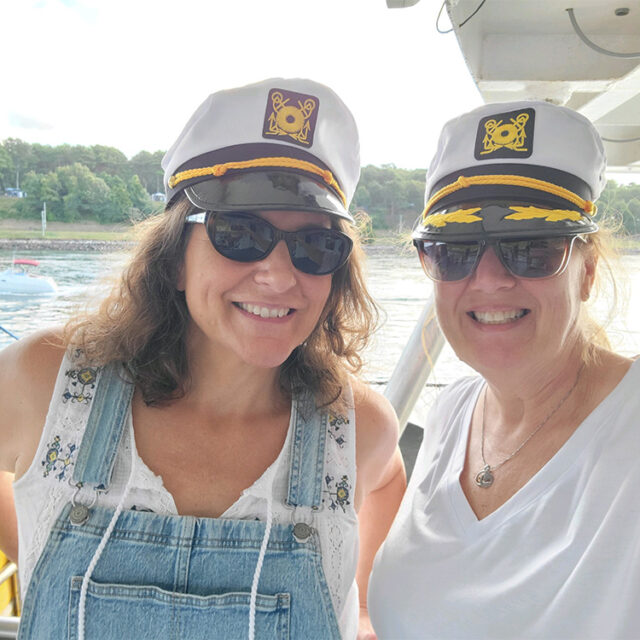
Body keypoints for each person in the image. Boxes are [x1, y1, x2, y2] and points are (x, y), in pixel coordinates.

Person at [0, 78, 405, 639]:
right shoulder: (46, 384)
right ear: (173, 259)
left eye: (316, 246)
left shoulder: (357, 426)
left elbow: (386, 482)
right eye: (240, 233)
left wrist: (362, 611)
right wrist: (29, 536)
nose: (281, 275)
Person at [368, 100, 639, 639]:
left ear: (586, 272)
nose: (488, 278)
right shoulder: (452, 410)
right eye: (454, 250)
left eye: (530, 247)